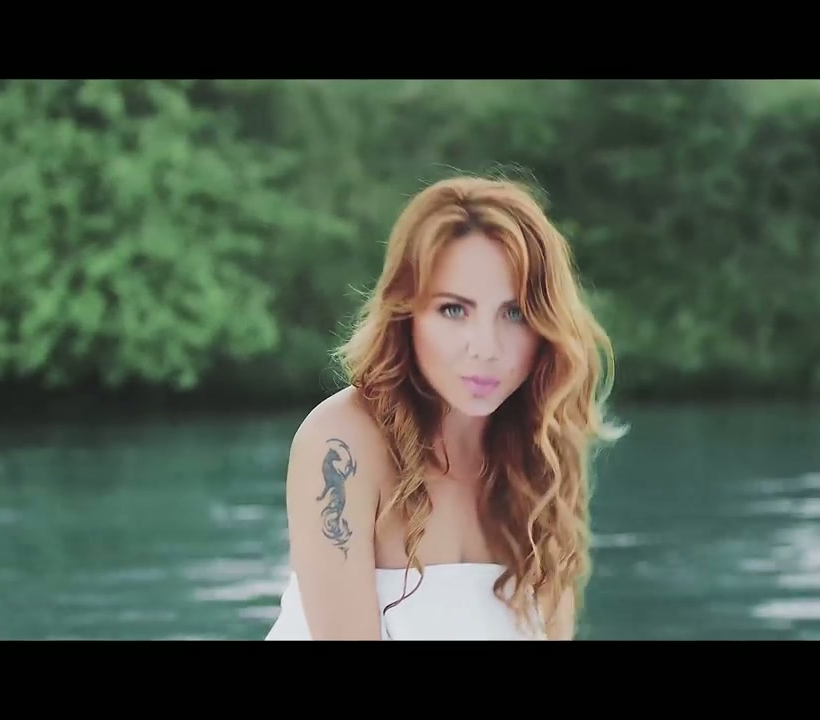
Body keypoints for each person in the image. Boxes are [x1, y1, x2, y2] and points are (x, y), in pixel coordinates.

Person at [263, 174, 626, 640]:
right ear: (406, 313)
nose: (485, 348)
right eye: (454, 310)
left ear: (546, 328)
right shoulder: (342, 442)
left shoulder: (543, 456)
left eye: (514, 313)